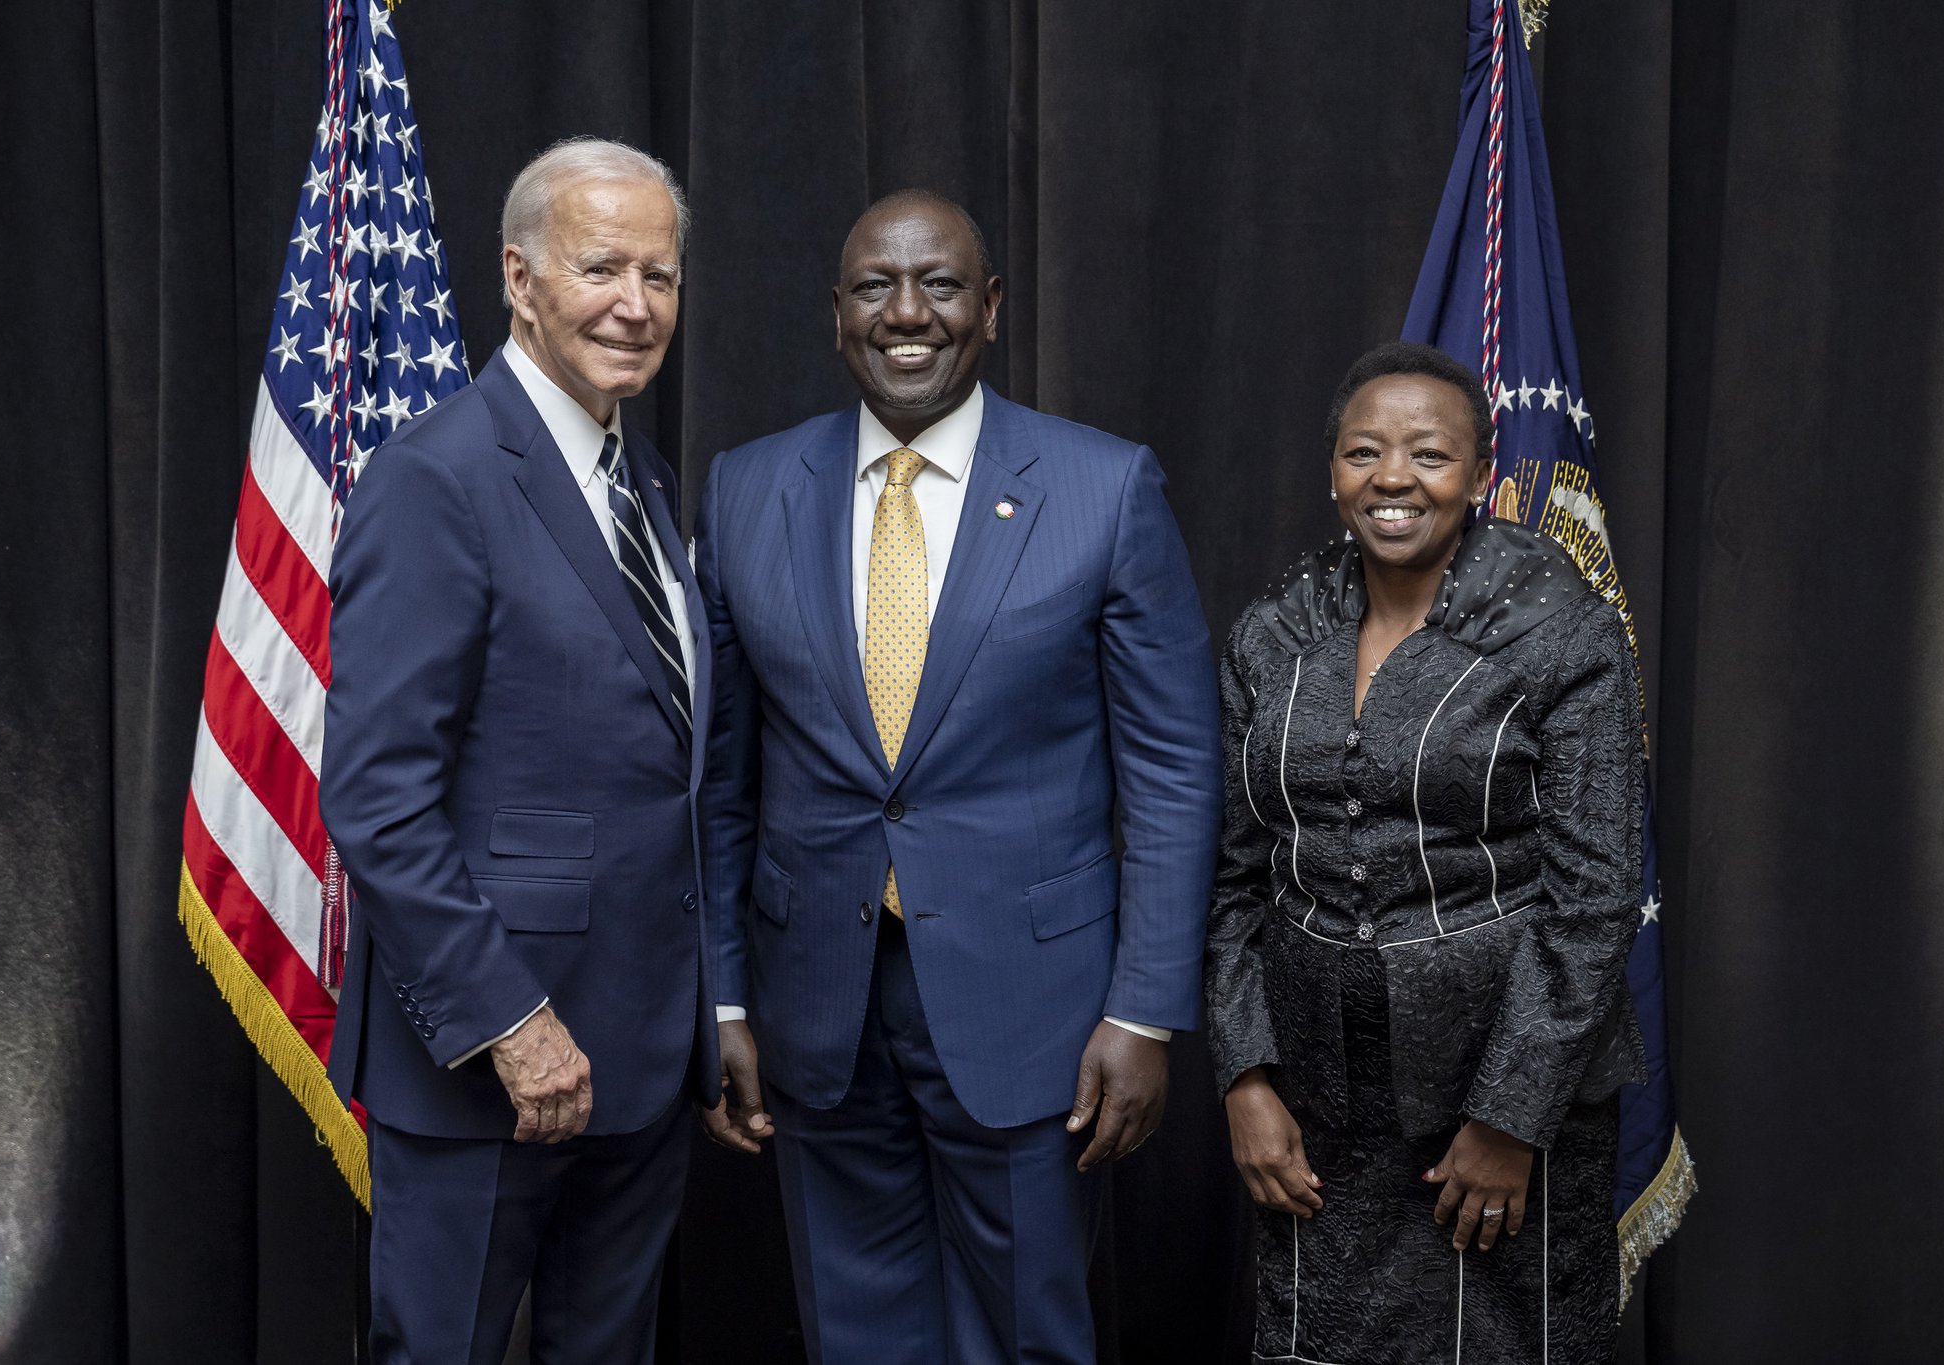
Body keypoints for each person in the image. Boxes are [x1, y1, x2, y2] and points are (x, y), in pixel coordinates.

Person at [694, 189, 1224, 1364]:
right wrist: (723, 997)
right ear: (837, 314)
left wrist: (1143, 1008)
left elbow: (1176, 771)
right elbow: (721, 781)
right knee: (858, 1334)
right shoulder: (743, 490)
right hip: (813, 1008)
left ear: (988, 307)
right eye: (876, 286)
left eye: (937, 284)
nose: (906, 313)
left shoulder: (1103, 488)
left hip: (1037, 1010)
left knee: (1027, 1331)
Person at [320, 138, 719, 1364]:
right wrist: (511, 1022)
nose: (635, 305)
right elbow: (377, 798)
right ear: (518, 277)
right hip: (494, 1059)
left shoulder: (641, 479)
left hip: (643, 1058)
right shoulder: (435, 475)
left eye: (659, 276)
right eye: (602, 267)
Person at [1205, 341, 1649, 1363]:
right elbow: (1233, 878)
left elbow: (1592, 902)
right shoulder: (1272, 633)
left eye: (1428, 455)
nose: (1392, 478)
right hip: (1317, 1103)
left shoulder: (1559, 632)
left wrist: (1509, 1119)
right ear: (1332, 475)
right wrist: (1243, 1078)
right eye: (1363, 452)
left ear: (1479, 477)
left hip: (1501, 1104)